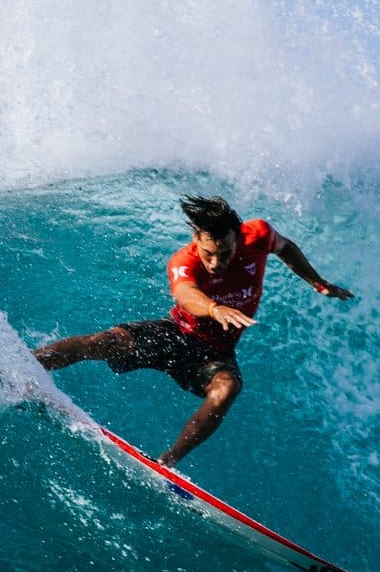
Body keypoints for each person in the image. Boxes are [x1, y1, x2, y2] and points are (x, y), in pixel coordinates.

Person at [33, 194, 354, 467]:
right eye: (208, 253)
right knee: (104, 341)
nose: (215, 262)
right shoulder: (183, 261)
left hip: (214, 354)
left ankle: (167, 462)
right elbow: (186, 294)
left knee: (227, 388)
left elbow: (286, 248)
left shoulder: (258, 236)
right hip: (175, 334)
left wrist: (317, 282)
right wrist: (214, 309)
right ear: (197, 241)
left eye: (224, 253)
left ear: (238, 238)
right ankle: (29, 363)